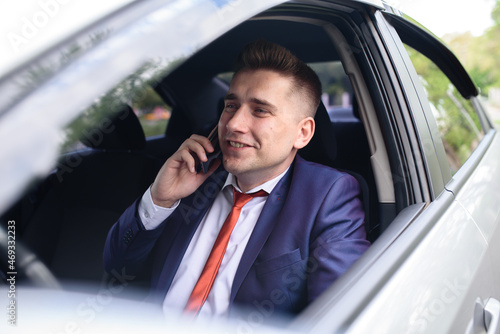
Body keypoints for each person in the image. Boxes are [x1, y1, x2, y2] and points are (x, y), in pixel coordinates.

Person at [103, 40, 370, 318]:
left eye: (260, 110)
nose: (233, 124)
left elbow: (342, 314)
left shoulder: (329, 195)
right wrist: (160, 199)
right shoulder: (193, 179)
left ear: (302, 133)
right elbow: (116, 267)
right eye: (231, 105)